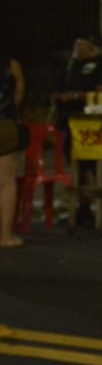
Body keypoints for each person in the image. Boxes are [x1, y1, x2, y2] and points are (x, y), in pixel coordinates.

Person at [52, 32, 102, 230]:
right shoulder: (71, 67)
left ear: (92, 47)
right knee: (79, 166)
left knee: (97, 165)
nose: (76, 49)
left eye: (80, 45)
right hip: (72, 123)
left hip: (96, 125)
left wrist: (74, 96)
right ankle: (83, 207)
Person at [1, 48, 26, 248]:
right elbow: (17, 98)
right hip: (4, 124)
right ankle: (5, 237)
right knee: (6, 183)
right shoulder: (11, 65)